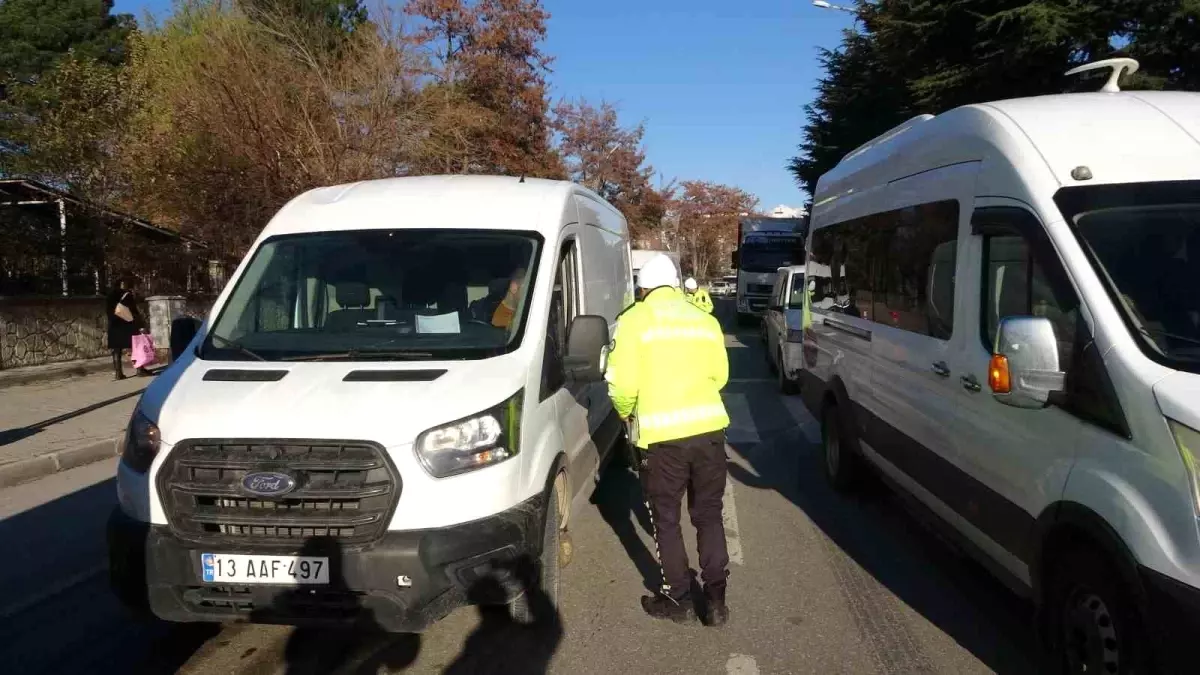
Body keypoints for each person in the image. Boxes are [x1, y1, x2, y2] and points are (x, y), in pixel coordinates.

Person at [604, 253, 732, 627]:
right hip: (709, 432)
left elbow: (621, 384)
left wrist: (627, 411)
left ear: (642, 288)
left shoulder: (633, 321)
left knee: (667, 520)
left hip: (662, 440)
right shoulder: (705, 320)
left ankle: (678, 599)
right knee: (709, 515)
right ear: (676, 284)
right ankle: (717, 601)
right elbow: (720, 376)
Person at [105, 276, 150, 380]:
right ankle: (140, 369)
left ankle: (118, 373)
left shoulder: (110, 295)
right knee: (136, 347)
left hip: (114, 325)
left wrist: (113, 319)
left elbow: (108, 311)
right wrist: (140, 325)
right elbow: (134, 312)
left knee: (116, 350)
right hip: (127, 324)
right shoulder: (127, 295)